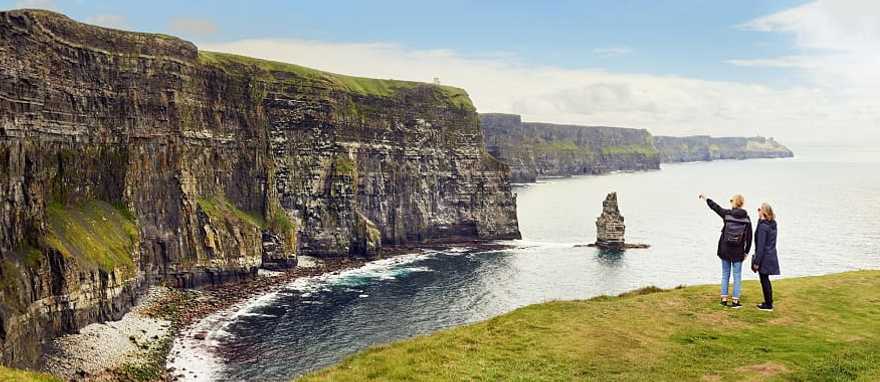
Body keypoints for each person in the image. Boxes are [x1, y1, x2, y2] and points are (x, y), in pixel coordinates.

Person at [699, 194, 752, 309]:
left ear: (733, 203)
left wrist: (706, 198)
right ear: (742, 204)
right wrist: (746, 252)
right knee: (737, 276)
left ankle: (723, 300)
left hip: (725, 249)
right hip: (738, 252)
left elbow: (715, 207)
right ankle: (735, 302)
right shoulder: (747, 219)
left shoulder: (727, 214)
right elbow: (749, 238)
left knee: (725, 274)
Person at [752, 203, 779, 311]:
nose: (757, 211)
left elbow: (761, 246)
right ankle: (769, 302)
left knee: (764, 280)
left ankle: (768, 305)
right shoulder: (772, 224)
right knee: (765, 279)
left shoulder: (763, 227)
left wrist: (756, 262)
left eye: (759, 209)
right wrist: (760, 219)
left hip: (764, 257)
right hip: (770, 255)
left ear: (763, 212)